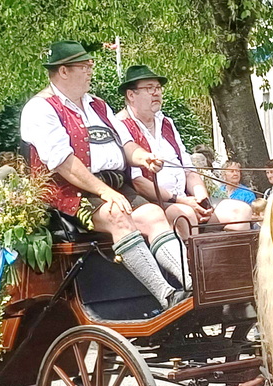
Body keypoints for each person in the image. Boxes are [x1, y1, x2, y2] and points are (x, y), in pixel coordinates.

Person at [20, 41, 184, 308]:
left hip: (113, 186)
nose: (90, 71)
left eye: (90, 65)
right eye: (84, 66)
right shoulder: (40, 108)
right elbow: (63, 163)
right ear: (63, 71)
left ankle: (189, 284)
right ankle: (167, 295)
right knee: (117, 215)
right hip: (71, 193)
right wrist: (105, 192)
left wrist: (143, 157)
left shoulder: (98, 105)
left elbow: (124, 143)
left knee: (154, 214)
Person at [114, 64, 210, 235]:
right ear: (131, 95)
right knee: (186, 215)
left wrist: (202, 199)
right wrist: (181, 201)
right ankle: (189, 254)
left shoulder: (167, 123)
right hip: (152, 204)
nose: (156, 93)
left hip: (185, 199)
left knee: (239, 211)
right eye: (149, 88)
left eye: (158, 88)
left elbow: (188, 170)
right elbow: (138, 182)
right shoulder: (120, 125)